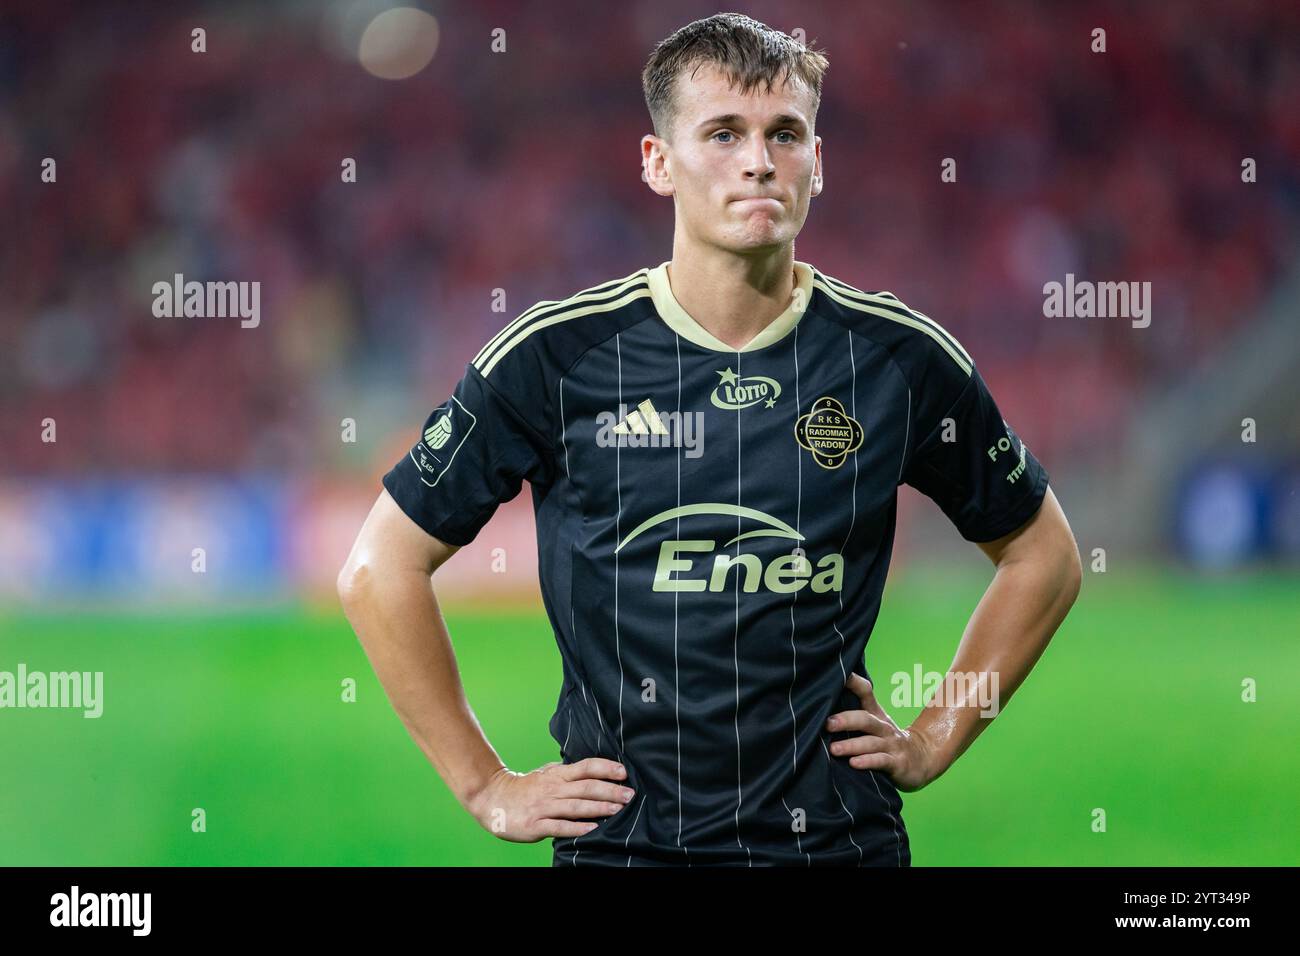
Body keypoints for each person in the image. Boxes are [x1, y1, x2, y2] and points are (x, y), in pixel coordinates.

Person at [337, 12, 1081, 866]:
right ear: (659, 163)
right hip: (625, 849)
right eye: (723, 133)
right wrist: (485, 785)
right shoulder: (555, 356)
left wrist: (936, 734)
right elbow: (378, 568)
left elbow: (1044, 556)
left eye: (785, 134)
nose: (759, 160)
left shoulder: (899, 361)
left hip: (838, 845)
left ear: (817, 163)